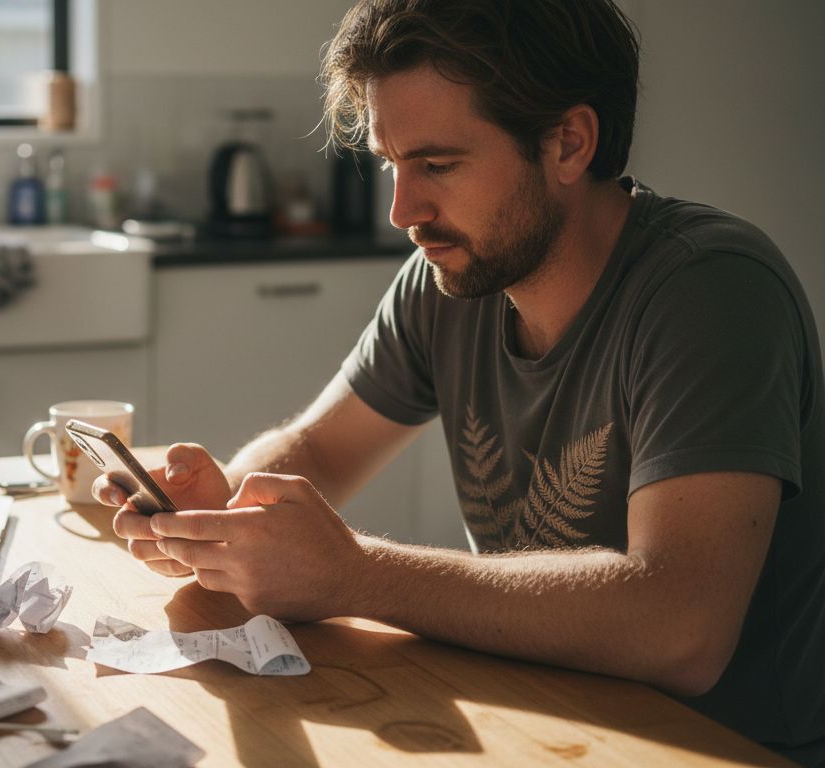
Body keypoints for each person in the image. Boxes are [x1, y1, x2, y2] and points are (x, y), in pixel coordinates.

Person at [94, 0, 825, 763]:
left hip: (724, 749)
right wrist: (226, 511)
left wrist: (357, 576)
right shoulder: (452, 274)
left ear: (569, 143)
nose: (403, 211)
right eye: (391, 165)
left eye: (438, 165)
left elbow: (682, 628)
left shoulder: (712, 290)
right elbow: (323, 448)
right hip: (545, 719)